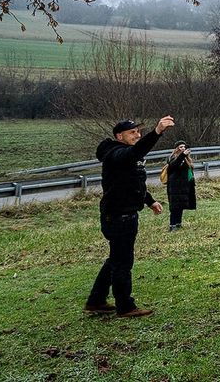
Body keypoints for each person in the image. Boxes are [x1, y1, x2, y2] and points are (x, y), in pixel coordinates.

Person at [85, 116, 173, 318]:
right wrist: (157, 132)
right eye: (132, 132)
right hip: (118, 216)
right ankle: (125, 306)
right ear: (119, 136)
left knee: (116, 259)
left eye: (139, 132)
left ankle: (96, 300)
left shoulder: (126, 156)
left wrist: (149, 201)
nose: (137, 135)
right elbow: (135, 152)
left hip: (126, 213)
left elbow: (134, 183)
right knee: (123, 262)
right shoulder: (116, 155)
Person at [164, 140, 197, 231]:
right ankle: (172, 225)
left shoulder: (186, 158)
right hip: (175, 186)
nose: (183, 148)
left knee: (181, 205)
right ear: (176, 148)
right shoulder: (173, 157)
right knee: (175, 206)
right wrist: (182, 155)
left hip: (184, 185)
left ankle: (178, 223)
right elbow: (174, 165)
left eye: (184, 147)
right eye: (181, 147)